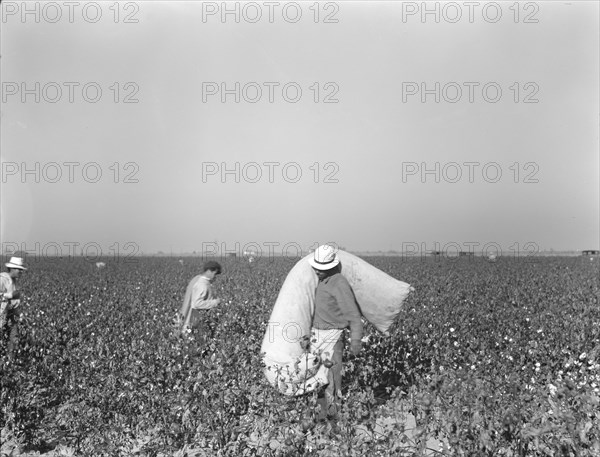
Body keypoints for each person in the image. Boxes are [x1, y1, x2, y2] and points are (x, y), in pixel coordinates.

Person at [308, 245, 363, 421]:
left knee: (332, 381)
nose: (317, 270)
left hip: (333, 337)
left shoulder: (339, 283)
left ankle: (334, 422)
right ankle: (318, 418)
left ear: (331, 266)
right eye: (316, 267)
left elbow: (353, 315)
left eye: (321, 268)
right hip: (316, 336)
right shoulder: (319, 280)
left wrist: (356, 340)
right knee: (314, 380)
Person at [178, 261, 222, 342]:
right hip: (195, 319)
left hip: (196, 319)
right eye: (215, 274)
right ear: (209, 271)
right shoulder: (202, 284)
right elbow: (197, 303)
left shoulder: (198, 278)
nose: (215, 277)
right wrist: (215, 302)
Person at [1, 256, 27, 358]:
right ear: (11, 269)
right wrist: (8, 295)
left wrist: (19, 314)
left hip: (10, 316)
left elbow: (13, 303)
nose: (20, 272)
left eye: (21, 270)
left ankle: (10, 361)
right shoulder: (2, 279)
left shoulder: (14, 282)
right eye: (18, 269)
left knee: (13, 339)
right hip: (2, 316)